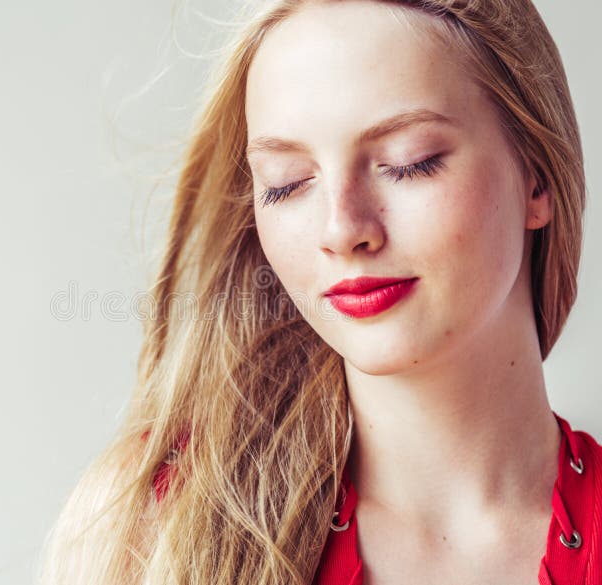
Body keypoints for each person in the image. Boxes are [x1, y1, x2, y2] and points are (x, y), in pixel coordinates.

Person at [37, 1, 600, 584]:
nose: (341, 229)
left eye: (409, 163)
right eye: (288, 184)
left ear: (536, 177)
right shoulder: (151, 522)